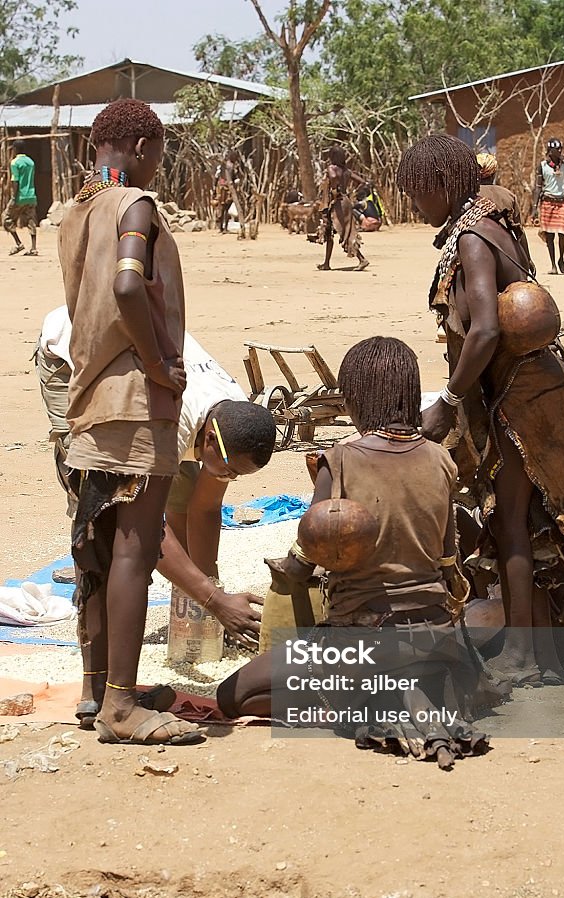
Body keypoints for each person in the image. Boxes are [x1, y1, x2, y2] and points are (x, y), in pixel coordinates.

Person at [217, 336, 490, 769]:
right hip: (436, 634)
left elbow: (305, 562)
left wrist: (287, 566)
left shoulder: (339, 461)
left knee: (234, 695)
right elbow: (446, 558)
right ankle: (411, 693)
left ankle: (358, 705)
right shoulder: (441, 460)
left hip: (363, 642)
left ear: (356, 398)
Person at [396, 134, 564, 688]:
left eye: (419, 193)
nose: (415, 205)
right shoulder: (497, 218)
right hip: (528, 389)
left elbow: (486, 329)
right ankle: (546, 653)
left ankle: (523, 656)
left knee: (512, 523)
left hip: (520, 397)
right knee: (526, 520)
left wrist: (448, 401)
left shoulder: (471, 238)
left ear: (444, 184)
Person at [58, 97, 204, 746]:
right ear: (143, 147)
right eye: (160, 153)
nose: (159, 165)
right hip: (133, 400)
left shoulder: (76, 211)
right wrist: (161, 361)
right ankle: (121, 706)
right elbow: (126, 289)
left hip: (87, 399)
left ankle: (96, 689)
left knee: (95, 546)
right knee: (133, 549)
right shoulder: (132, 206)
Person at [35, 306, 274, 677]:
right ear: (209, 439)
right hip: (74, 352)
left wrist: (206, 591)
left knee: (184, 488)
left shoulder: (232, 420)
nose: (229, 478)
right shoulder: (168, 427)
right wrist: (215, 602)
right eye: (228, 469)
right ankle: (99, 662)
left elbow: (205, 508)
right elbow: (147, 528)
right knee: (105, 512)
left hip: (142, 367)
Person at [476, 152, 533, 272]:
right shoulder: (508, 195)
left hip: (474, 246)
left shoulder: (466, 194)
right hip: (505, 249)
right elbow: (519, 232)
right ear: (493, 174)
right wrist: (527, 260)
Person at [315, 146, 369, 271]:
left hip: (338, 203)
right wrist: (353, 193)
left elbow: (333, 177)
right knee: (329, 231)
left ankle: (362, 259)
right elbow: (362, 182)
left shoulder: (331, 168)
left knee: (345, 232)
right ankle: (326, 263)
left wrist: (334, 189)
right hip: (343, 201)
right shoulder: (346, 171)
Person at [532, 139, 564, 274]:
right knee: (549, 237)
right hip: (547, 202)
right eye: (557, 149)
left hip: (562, 202)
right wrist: (534, 207)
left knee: (561, 233)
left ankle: (561, 259)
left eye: (561, 148)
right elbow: (537, 188)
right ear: (550, 151)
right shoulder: (542, 166)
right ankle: (553, 264)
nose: (560, 151)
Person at [4, 141, 38, 256]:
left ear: (15, 149)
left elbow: (15, 181)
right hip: (31, 196)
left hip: (20, 196)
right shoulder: (31, 162)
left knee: (6, 219)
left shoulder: (15, 162)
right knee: (31, 220)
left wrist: (14, 196)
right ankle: (33, 248)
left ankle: (18, 243)